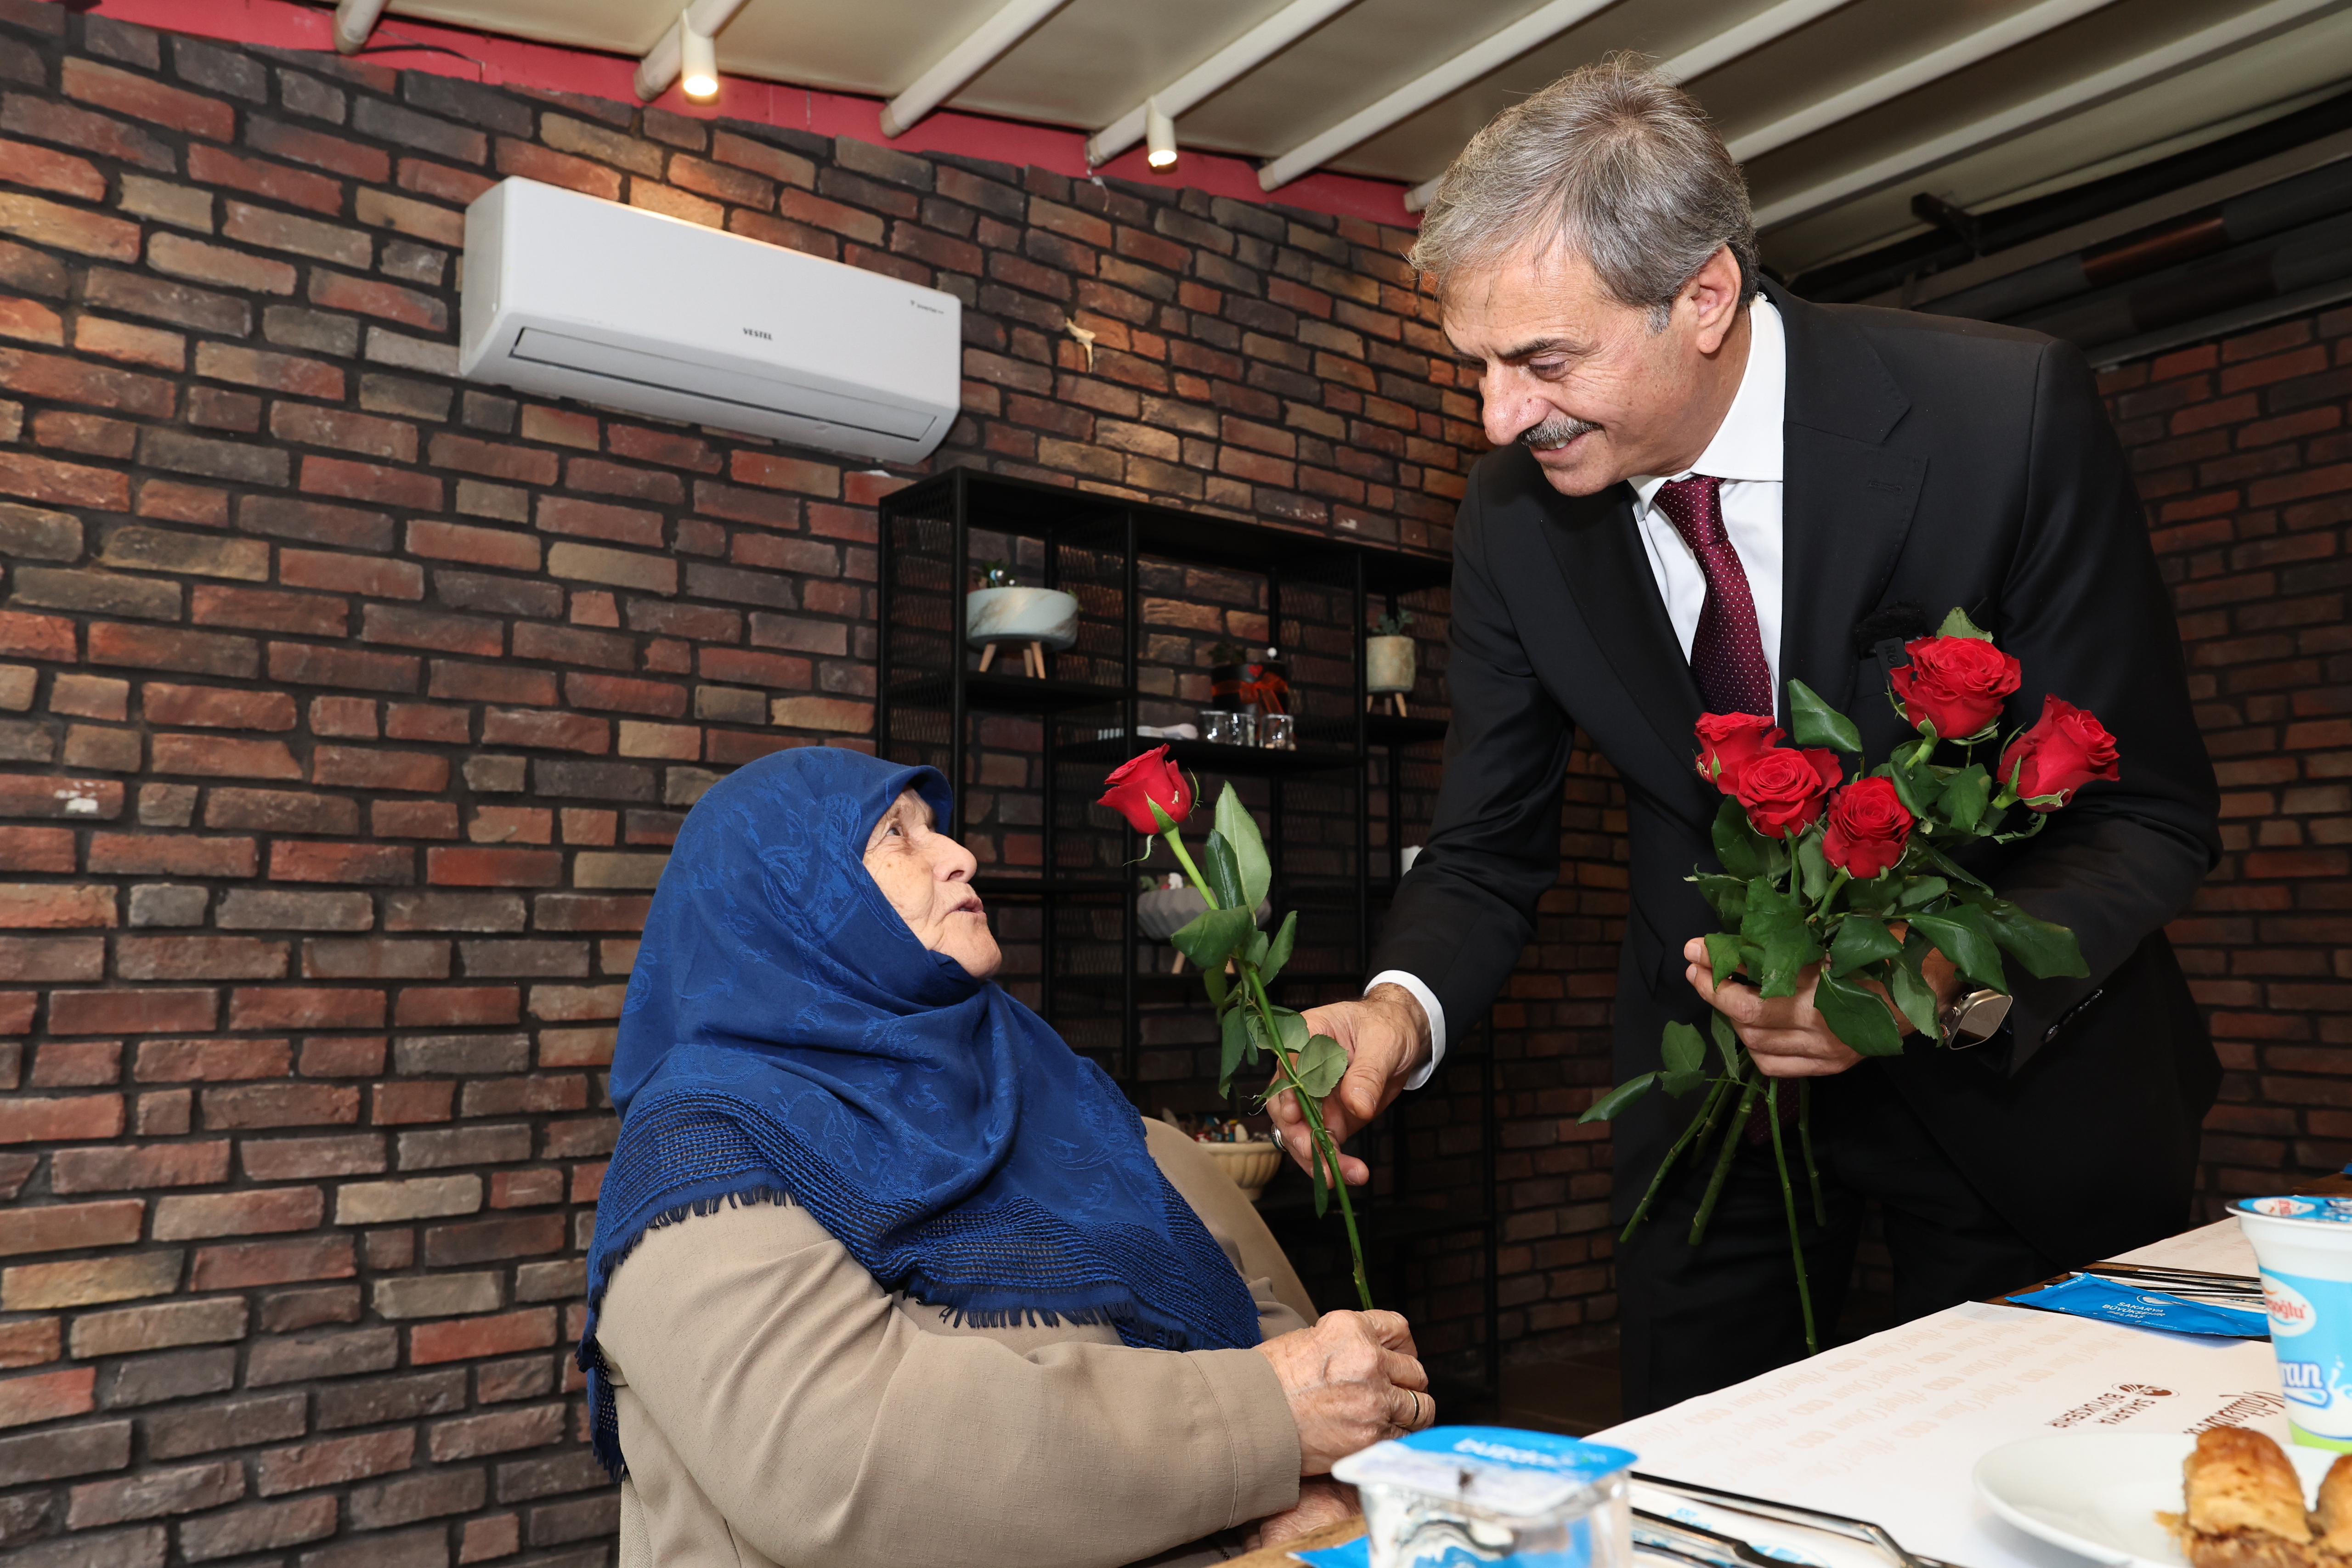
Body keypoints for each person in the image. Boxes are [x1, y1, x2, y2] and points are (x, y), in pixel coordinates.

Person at [1271, 56, 2222, 1416]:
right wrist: (1389, 1010)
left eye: (1543, 361)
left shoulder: (1999, 420)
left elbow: (2152, 815)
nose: (1498, 417)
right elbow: (1484, 845)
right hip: (1711, 1114)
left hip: (2022, 1093)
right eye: (1477, 365)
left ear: (1704, 296)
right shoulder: (1513, 518)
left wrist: (1923, 991)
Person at [579, 746, 1434, 1568]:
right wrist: (1269, 1426)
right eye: (897, 834)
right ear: (789, 899)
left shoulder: (1039, 1081)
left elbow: (1238, 1292)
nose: (960, 853)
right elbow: (841, 1460)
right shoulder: (700, 1151)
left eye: (936, 826)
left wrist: (1320, 1474)